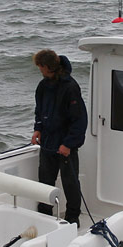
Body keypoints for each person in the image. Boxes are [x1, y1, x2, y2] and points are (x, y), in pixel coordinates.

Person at [31, 49, 88, 226]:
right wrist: (37, 129)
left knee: (70, 183)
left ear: (48, 67)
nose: (39, 69)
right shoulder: (42, 86)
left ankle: (72, 218)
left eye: (41, 66)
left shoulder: (70, 87)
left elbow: (79, 120)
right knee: (45, 181)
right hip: (47, 142)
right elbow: (39, 110)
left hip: (65, 146)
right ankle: (45, 215)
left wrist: (68, 144)